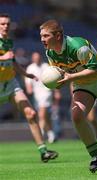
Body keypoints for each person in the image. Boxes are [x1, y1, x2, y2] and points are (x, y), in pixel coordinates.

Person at [39, 19, 97, 173]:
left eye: (46, 36)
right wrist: (57, 82)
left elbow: (94, 69)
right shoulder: (50, 52)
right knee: (76, 116)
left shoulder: (77, 46)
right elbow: (59, 73)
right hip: (82, 85)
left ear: (58, 36)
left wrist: (69, 78)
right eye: (41, 36)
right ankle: (96, 156)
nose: (42, 40)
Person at [0, 13, 58, 163]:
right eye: (2, 24)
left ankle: (44, 152)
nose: (5, 26)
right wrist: (2, 57)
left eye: (7, 23)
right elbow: (6, 58)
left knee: (31, 113)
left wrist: (27, 74)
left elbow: (12, 63)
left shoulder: (8, 41)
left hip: (11, 84)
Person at [25, 51, 58, 143]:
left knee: (41, 114)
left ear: (40, 57)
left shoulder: (46, 66)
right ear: (32, 58)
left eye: (38, 57)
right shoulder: (30, 68)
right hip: (36, 95)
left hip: (47, 93)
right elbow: (28, 81)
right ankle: (51, 133)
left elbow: (54, 79)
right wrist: (29, 89)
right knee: (45, 116)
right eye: (34, 57)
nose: (36, 59)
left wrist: (56, 92)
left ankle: (41, 134)